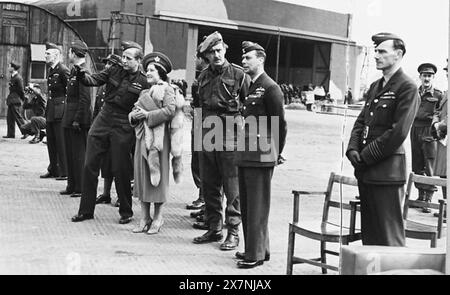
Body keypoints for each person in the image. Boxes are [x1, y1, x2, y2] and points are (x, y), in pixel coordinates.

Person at [346, 32, 419, 246]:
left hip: (386, 172)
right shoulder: (375, 87)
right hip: (366, 171)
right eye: (375, 51)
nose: (376, 55)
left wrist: (365, 156)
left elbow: (398, 132)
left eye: (381, 51)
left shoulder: (407, 87)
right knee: (370, 236)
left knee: (389, 237)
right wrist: (352, 150)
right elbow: (361, 122)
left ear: (397, 55)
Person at [71, 41, 149, 224]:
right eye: (123, 57)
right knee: (90, 164)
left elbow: (146, 104)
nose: (124, 60)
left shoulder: (143, 81)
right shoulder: (114, 70)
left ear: (138, 60)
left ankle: (126, 212)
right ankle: (86, 211)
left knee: (120, 168)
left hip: (124, 123)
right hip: (104, 118)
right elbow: (93, 80)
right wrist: (82, 74)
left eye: (128, 58)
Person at [192, 31, 250, 251]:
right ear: (206, 55)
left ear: (225, 49)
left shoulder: (239, 75)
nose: (216, 55)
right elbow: (199, 107)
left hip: (230, 137)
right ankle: (214, 228)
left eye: (219, 50)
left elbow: (250, 107)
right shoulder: (203, 76)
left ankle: (233, 232)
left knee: (232, 186)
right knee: (210, 184)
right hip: (207, 132)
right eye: (211, 52)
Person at [236, 41, 287, 269]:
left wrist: (277, 152)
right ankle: (257, 248)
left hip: (262, 155)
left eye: (248, 58)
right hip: (247, 153)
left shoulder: (270, 87)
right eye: (243, 58)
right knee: (248, 205)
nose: (244, 61)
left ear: (261, 60)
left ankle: (254, 254)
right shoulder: (251, 85)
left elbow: (280, 125)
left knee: (257, 206)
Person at [130, 52, 178, 234]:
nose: (147, 72)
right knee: (142, 176)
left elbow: (170, 111)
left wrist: (148, 115)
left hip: (159, 140)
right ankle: (144, 217)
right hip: (142, 138)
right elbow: (134, 112)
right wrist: (134, 116)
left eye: (152, 70)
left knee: (157, 178)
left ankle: (158, 217)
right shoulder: (143, 92)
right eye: (147, 69)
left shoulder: (168, 90)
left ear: (161, 72)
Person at [60, 41, 92, 198]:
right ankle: (72, 185)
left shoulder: (83, 72)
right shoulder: (74, 70)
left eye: (70, 52)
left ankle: (80, 187)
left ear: (73, 53)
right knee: (70, 153)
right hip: (69, 117)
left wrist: (78, 120)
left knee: (79, 154)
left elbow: (85, 99)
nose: (68, 54)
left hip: (77, 120)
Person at [410, 63, 443, 212]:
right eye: (424, 75)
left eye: (429, 76)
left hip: (429, 131)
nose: (427, 78)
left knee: (429, 165)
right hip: (415, 129)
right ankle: (420, 196)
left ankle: (428, 199)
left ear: (433, 77)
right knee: (417, 163)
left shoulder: (438, 94)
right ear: (420, 77)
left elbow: (441, 114)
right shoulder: (415, 92)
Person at [94, 54, 122, 207]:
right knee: (106, 163)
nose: (107, 67)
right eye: (106, 64)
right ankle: (106, 193)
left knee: (118, 163)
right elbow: (97, 108)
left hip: (117, 128)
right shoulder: (103, 84)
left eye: (111, 64)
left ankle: (120, 195)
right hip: (103, 126)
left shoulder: (119, 83)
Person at [40, 43, 70, 181]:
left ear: (56, 55)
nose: (46, 56)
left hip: (60, 110)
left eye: (48, 53)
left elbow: (69, 92)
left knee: (61, 141)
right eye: (46, 53)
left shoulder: (63, 70)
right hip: (51, 109)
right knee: (51, 141)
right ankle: (53, 169)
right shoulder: (51, 70)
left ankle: (64, 171)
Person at [431, 60, 448, 220]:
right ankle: (445, 207)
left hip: (445, 137)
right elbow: (437, 110)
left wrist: (441, 125)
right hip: (443, 140)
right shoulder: (446, 92)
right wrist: (436, 122)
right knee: (443, 175)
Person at [3, 62, 26, 139]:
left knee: (18, 118)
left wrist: (22, 99)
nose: (8, 68)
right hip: (11, 100)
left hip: (16, 100)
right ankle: (11, 134)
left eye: (9, 66)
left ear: (13, 68)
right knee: (10, 118)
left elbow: (21, 90)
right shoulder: (13, 77)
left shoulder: (18, 78)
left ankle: (27, 132)